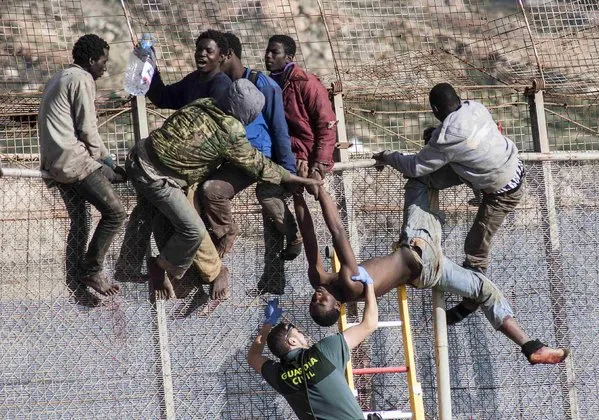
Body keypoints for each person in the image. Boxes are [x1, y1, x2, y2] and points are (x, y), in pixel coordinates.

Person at [294, 176, 568, 366]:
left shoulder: (318, 278)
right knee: (419, 179)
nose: (317, 295)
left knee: (486, 291)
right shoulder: (351, 284)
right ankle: (482, 178)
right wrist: (320, 189)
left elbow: (309, 236)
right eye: (322, 301)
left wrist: (298, 194)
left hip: (427, 274)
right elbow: (338, 232)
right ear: (337, 306)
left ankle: (530, 347)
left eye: (313, 299)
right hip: (418, 246)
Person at [125, 79, 323, 300]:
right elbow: (258, 164)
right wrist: (298, 179)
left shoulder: (204, 104)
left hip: (142, 155)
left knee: (186, 210)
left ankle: (209, 272)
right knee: (192, 230)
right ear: (247, 112)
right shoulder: (231, 129)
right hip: (158, 178)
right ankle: (162, 266)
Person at [373, 82, 525, 324]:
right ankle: (435, 224)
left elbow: (414, 165)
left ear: (435, 109)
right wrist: (434, 136)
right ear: (459, 97)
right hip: (507, 165)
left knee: (475, 247)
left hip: (502, 192)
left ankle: (470, 302)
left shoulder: (447, 137)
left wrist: (388, 157)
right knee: (427, 177)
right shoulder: (475, 107)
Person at [115, 29, 233, 282]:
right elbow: (163, 97)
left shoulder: (220, 86)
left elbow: (218, 130)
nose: (201, 54)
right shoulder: (195, 80)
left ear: (222, 57)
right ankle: (130, 266)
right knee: (150, 208)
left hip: (195, 165)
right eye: (199, 49)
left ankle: (212, 273)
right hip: (177, 162)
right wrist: (150, 67)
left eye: (208, 50)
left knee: (190, 223)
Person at [197, 32, 301, 273]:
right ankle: (212, 247)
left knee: (258, 195)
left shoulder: (262, 84)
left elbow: (279, 128)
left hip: (256, 156)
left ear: (226, 56)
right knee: (203, 190)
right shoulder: (218, 86)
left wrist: (288, 171)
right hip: (231, 155)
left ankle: (291, 237)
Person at [39, 34, 126, 297]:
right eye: (103, 62)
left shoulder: (59, 77)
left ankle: (75, 282)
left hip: (54, 163)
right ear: (90, 61)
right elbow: (87, 129)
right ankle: (92, 269)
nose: (105, 68)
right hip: (73, 162)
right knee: (115, 213)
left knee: (81, 221)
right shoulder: (82, 78)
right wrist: (107, 159)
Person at [247, 268, 378, 420]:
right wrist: (369, 284)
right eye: (295, 330)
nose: (300, 331)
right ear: (292, 341)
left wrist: (268, 324)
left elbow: (253, 357)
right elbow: (370, 323)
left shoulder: (279, 377)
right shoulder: (325, 351)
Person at [264, 35, 337, 181]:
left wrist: (320, 162)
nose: (268, 56)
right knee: (271, 192)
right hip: (286, 155)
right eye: (267, 52)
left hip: (309, 154)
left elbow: (326, 123)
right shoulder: (268, 84)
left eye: (274, 52)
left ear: (288, 58)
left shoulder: (306, 83)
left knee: (317, 190)